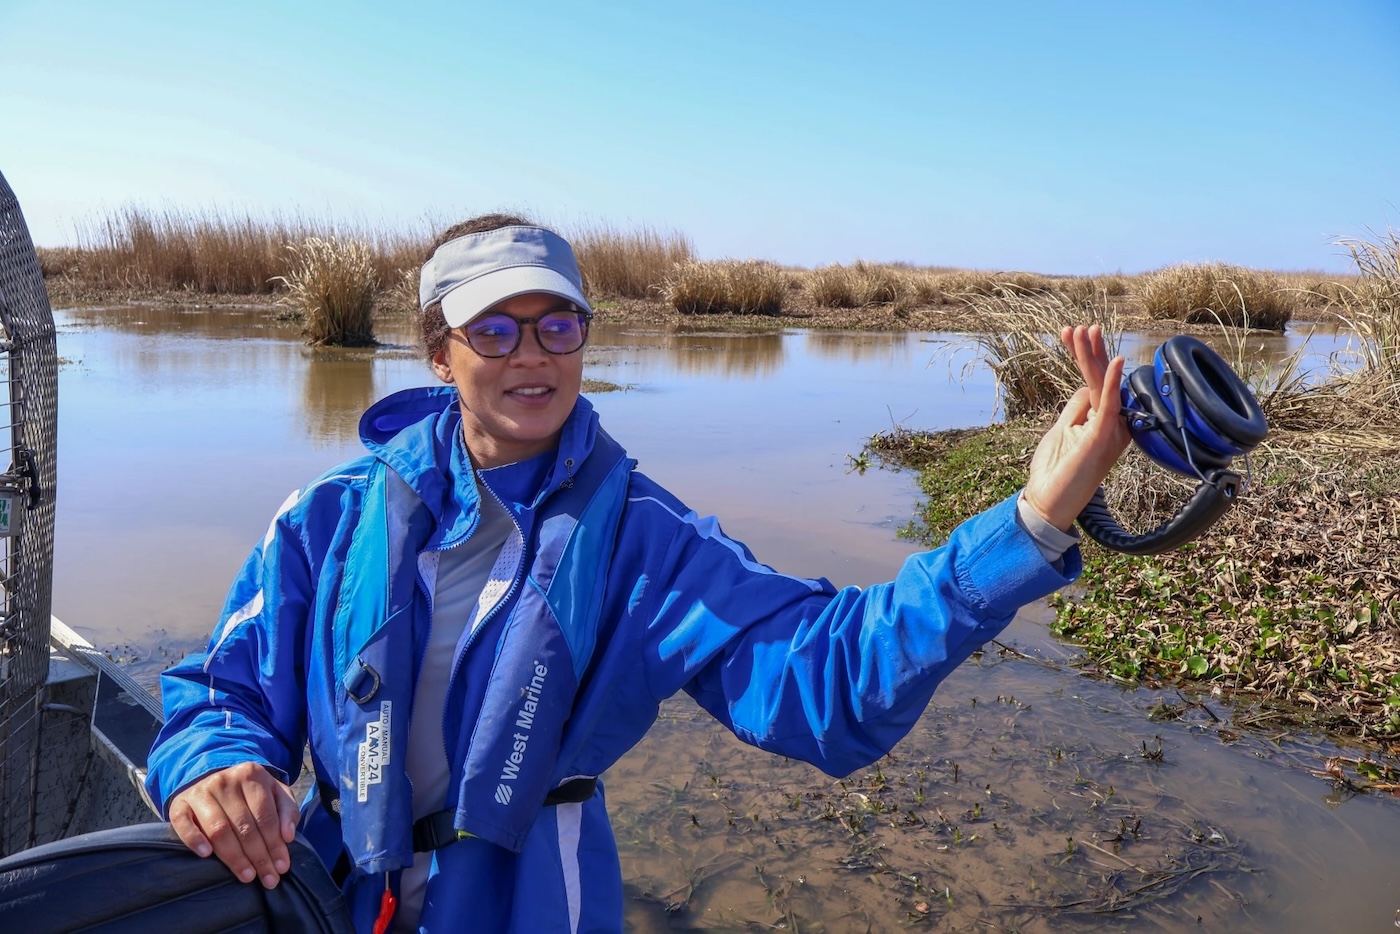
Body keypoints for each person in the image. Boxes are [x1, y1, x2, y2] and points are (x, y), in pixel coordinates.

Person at [146, 214, 1130, 933]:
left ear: (584, 337)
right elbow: (223, 691)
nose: (530, 355)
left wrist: (1029, 523)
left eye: (556, 325)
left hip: (535, 901)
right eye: (494, 330)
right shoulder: (330, 515)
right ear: (438, 354)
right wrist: (217, 767)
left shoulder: (643, 540)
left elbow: (828, 680)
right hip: (332, 888)